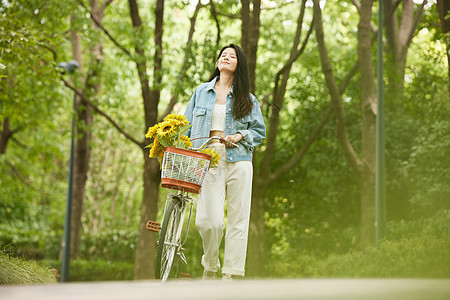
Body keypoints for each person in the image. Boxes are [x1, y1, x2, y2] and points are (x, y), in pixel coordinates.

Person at [184, 44, 266, 280]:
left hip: (239, 159)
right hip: (209, 159)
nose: (226, 58)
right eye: (223, 55)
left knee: (238, 219)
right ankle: (210, 264)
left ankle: (231, 273)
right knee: (209, 221)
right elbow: (185, 127)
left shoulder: (247, 99)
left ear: (239, 64)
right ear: (218, 62)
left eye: (232, 56)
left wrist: (240, 136)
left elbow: (259, 131)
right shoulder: (201, 92)